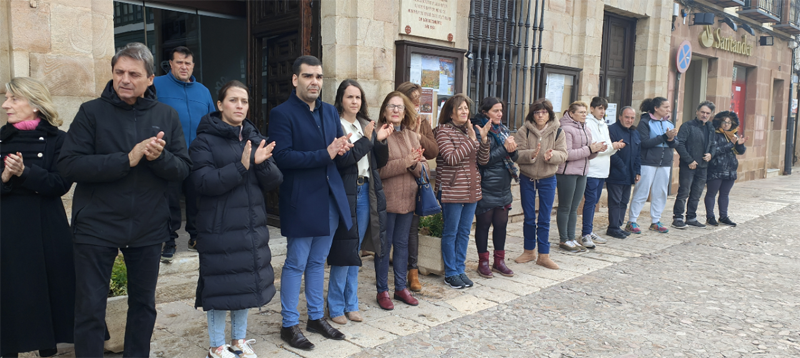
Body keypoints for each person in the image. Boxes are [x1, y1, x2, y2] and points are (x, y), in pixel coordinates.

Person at [58, 42, 192, 357]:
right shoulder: (91, 112)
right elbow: (68, 164)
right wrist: (126, 159)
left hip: (148, 226)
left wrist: (159, 158)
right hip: (97, 227)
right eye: (119, 72)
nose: (124, 79)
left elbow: (184, 169)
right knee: (90, 308)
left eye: (134, 74)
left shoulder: (166, 115)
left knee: (143, 305)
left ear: (150, 80)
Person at [190, 81, 283, 358]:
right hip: (219, 228)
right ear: (220, 105)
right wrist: (241, 166)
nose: (240, 106)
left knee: (243, 286)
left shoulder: (254, 137)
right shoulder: (203, 141)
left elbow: (275, 180)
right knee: (220, 289)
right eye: (233, 100)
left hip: (249, 226)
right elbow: (203, 182)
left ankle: (239, 341)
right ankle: (217, 345)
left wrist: (261, 162)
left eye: (244, 101)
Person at [270, 55, 353, 350]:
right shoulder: (282, 114)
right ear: (295, 80)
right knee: (296, 263)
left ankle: (315, 317)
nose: (314, 82)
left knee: (318, 262)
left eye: (318, 77)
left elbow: (335, 147)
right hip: (302, 199)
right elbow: (283, 157)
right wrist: (326, 153)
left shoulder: (330, 111)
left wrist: (343, 148)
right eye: (308, 76)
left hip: (330, 198)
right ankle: (289, 324)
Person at [0, 78, 74, 358]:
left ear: (34, 104)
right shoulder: (0, 138)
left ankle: (48, 348)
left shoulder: (59, 139)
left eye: (13, 99)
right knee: (11, 292)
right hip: (8, 228)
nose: (6, 105)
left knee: (49, 289)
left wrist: (26, 173)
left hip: (46, 227)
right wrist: (5, 176)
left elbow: (61, 184)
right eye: (7, 98)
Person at [327, 79, 391, 323]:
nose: (354, 101)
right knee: (343, 248)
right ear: (341, 100)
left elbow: (379, 162)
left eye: (358, 97)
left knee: (354, 251)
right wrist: (366, 139)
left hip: (366, 192)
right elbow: (343, 161)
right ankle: (335, 306)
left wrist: (380, 140)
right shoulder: (336, 125)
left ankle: (351, 303)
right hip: (345, 192)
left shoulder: (366, 125)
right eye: (349, 97)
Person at [153, 46, 216, 261]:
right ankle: (168, 240)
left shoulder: (203, 91)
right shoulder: (157, 85)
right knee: (169, 198)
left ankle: (195, 237)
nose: (184, 67)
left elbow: (211, 121)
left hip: (197, 155)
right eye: (179, 62)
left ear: (193, 66)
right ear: (170, 64)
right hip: (169, 154)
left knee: (196, 197)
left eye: (188, 63)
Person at [435, 93, 490, 289]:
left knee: (464, 232)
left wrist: (483, 141)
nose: (464, 111)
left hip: (472, 189)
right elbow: (450, 158)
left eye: (466, 108)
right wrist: (472, 141)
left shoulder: (470, 132)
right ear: (450, 113)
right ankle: (450, 273)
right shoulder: (442, 132)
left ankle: (460, 269)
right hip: (452, 189)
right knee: (451, 232)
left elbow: (482, 161)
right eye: (460, 108)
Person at [375, 91, 425, 307]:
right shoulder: (379, 135)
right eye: (391, 106)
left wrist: (415, 164)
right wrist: (407, 161)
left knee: (403, 245)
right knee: (384, 247)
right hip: (387, 199)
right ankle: (382, 291)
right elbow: (379, 170)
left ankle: (400, 288)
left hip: (408, 199)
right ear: (384, 111)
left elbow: (423, 171)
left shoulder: (413, 136)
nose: (396, 110)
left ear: (405, 113)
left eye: (400, 107)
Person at [395, 81, 439, 292]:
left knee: (412, 230)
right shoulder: (393, 122)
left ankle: (412, 272)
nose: (416, 106)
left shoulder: (422, 123)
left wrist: (418, 134)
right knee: (393, 231)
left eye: (418, 102)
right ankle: (394, 268)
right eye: (412, 102)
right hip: (394, 183)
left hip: (415, 184)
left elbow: (433, 151)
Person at [513, 99, 566, 269]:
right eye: (537, 112)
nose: (540, 115)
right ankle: (529, 251)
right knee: (529, 217)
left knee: (544, 218)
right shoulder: (524, 131)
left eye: (544, 112)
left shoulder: (558, 132)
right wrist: (531, 155)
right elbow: (516, 154)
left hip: (548, 177)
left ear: (549, 114)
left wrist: (553, 156)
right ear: (532, 114)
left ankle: (544, 255)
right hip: (527, 178)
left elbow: (564, 154)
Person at [470, 97, 517, 278]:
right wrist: (505, 148)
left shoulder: (503, 129)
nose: (500, 114)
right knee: (483, 226)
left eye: (501, 110)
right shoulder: (479, 130)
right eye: (495, 111)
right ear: (485, 112)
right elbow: (485, 160)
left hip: (503, 186)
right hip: (486, 184)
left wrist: (513, 148)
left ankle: (499, 261)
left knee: (501, 225)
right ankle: (483, 262)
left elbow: (513, 156)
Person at [556, 101, 606, 252]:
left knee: (574, 208)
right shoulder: (565, 129)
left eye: (585, 112)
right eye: (581, 112)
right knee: (565, 206)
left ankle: (571, 238)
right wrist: (589, 149)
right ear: (571, 114)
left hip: (583, 172)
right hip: (567, 173)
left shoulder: (586, 128)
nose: (585, 115)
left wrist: (596, 150)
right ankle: (564, 239)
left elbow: (587, 155)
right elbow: (568, 154)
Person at [626, 97, 677, 235]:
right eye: (665, 107)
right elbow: (644, 143)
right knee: (641, 191)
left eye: (668, 106)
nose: (668, 109)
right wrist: (665, 137)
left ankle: (656, 221)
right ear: (656, 108)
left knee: (660, 192)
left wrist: (672, 139)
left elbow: (674, 144)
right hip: (647, 162)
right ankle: (632, 221)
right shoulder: (645, 122)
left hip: (665, 162)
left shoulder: (669, 123)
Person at [581, 97, 624, 246]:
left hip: (603, 170)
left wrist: (614, 146)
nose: (602, 111)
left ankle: (590, 230)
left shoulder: (604, 124)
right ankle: (585, 233)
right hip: (592, 169)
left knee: (594, 202)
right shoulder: (587, 123)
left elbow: (606, 148)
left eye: (604, 109)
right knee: (590, 201)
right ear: (591, 109)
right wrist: (609, 147)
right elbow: (595, 148)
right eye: (599, 108)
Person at [672, 101, 715, 229]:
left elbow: (713, 144)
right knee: (684, 192)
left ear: (711, 115)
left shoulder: (710, 127)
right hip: (688, 165)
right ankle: (678, 218)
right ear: (697, 112)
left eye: (707, 113)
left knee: (696, 193)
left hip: (703, 166)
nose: (704, 115)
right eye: (702, 112)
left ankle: (691, 217)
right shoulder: (687, 126)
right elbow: (679, 144)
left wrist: (711, 155)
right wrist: (689, 160)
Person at [704, 111, 746, 227]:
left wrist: (740, 144)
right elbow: (715, 151)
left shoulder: (733, 135)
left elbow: (740, 152)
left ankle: (723, 216)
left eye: (729, 122)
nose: (726, 124)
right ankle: (710, 217)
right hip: (716, 168)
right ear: (719, 122)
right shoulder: (714, 134)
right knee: (711, 193)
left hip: (730, 169)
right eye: (724, 122)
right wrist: (730, 144)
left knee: (725, 194)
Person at [606, 107, 641, 239]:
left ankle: (618, 226)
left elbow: (638, 153)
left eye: (632, 118)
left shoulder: (635, 132)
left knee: (624, 201)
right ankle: (613, 227)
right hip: (616, 172)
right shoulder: (612, 130)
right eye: (627, 117)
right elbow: (611, 152)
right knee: (615, 201)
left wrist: (638, 170)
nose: (629, 120)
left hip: (630, 173)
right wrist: (622, 166)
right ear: (620, 117)